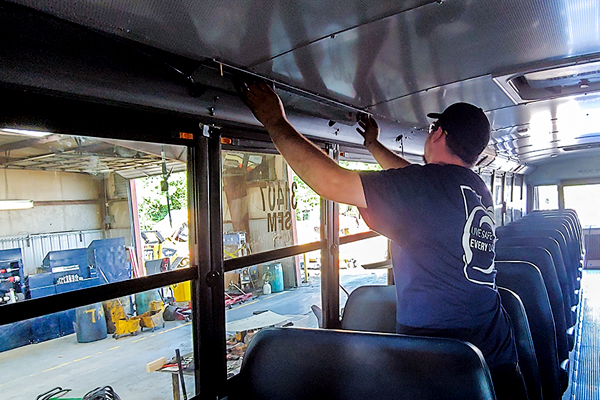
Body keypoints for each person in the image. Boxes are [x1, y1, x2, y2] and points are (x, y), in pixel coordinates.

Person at [237, 81, 527, 400]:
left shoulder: (427, 187)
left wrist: (276, 122)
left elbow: (331, 182)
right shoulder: (474, 188)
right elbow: (409, 177)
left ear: (438, 133)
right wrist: (373, 145)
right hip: (496, 354)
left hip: (445, 365)